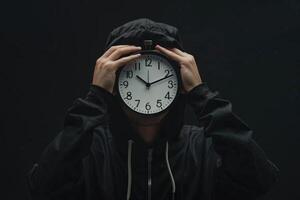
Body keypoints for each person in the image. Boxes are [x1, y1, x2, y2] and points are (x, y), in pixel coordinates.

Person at [27, 18, 279, 200]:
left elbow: (258, 181)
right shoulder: (92, 150)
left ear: (178, 83)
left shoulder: (202, 148)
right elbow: (44, 187)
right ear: (114, 85)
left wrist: (202, 95)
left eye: (160, 79)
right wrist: (96, 97)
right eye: (132, 79)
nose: (147, 87)